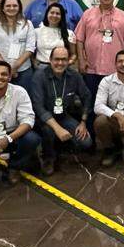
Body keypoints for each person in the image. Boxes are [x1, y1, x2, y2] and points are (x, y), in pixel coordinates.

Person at [28, 44, 93, 176]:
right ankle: (48, 157)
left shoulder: (74, 76)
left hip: (63, 116)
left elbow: (87, 96)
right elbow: (38, 107)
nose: (60, 63)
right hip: (43, 120)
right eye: (56, 59)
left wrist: (83, 122)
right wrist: (57, 129)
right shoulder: (39, 76)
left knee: (86, 142)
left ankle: (63, 148)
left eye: (64, 59)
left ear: (68, 61)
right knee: (48, 131)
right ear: (50, 60)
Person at [74, 0, 124, 95]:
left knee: (115, 101)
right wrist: (81, 61)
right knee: (91, 100)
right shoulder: (87, 14)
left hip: (116, 69)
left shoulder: (123, 16)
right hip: (91, 68)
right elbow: (79, 39)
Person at [0, 0, 37, 90]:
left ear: (19, 7)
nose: (11, 8)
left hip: (23, 70)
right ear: (3, 8)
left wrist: (15, 66)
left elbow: (30, 48)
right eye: (8, 6)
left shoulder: (28, 24)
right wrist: (6, 68)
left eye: (14, 6)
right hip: (1, 72)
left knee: (23, 97)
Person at [33, 2, 77, 67]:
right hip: (41, 67)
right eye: (52, 13)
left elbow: (74, 54)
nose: (54, 15)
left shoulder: (69, 33)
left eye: (57, 14)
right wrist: (34, 61)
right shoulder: (36, 32)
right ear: (47, 14)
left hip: (61, 67)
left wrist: (68, 62)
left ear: (62, 17)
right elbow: (30, 51)